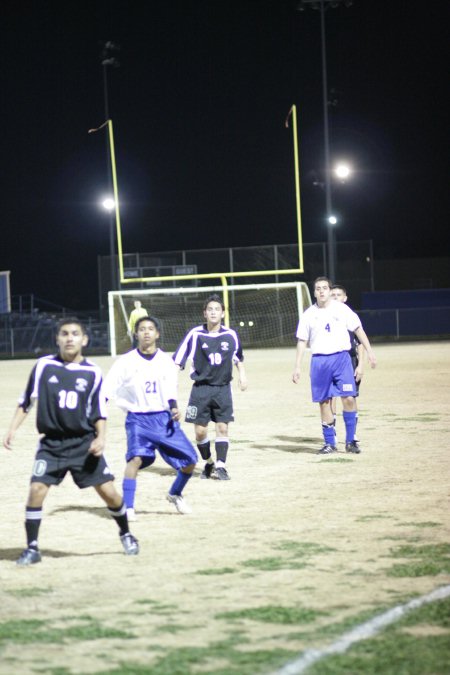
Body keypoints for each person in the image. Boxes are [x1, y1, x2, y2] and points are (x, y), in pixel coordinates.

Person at [2, 318, 139, 566]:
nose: (69, 338)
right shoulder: (43, 366)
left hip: (83, 444)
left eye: (75, 334)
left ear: (84, 339)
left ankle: (126, 533)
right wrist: (12, 429)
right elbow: (26, 401)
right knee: (36, 490)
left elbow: (98, 411)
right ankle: (32, 548)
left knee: (108, 494)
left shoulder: (92, 372)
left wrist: (101, 437)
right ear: (57, 339)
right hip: (51, 444)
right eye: (64, 334)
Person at [103, 315, 197, 517]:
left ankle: (175, 493)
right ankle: (128, 508)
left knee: (190, 461)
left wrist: (173, 407)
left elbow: (170, 388)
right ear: (136, 334)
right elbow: (107, 389)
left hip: (163, 419)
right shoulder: (125, 362)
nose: (146, 332)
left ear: (157, 334)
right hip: (137, 420)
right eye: (142, 329)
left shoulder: (165, 361)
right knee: (135, 460)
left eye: (150, 329)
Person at [292, 277, 376, 455]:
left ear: (330, 291)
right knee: (324, 403)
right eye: (318, 288)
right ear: (314, 292)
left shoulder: (342, 309)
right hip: (320, 362)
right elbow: (302, 341)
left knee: (349, 398)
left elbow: (358, 329)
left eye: (324, 288)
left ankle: (351, 440)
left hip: (341, 359)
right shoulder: (308, 314)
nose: (321, 291)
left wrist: (370, 352)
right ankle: (329, 443)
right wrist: (297, 366)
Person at [173, 294, 247, 480]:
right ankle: (209, 462)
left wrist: (242, 375)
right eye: (210, 310)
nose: (213, 312)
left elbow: (238, 358)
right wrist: (171, 383)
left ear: (223, 313)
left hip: (222, 388)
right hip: (200, 389)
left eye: (217, 309)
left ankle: (221, 466)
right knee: (200, 431)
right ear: (204, 314)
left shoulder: (230, 335)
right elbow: (177, 361)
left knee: (222, 428)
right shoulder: (195, 334)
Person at [330, 284, 364, 444]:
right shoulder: (326, 316)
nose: (335, 297)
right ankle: (333, 431)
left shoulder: (349, 316)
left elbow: (360, 344)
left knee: (350, 397)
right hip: (331, 360)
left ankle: (353, 434)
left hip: (349, 360)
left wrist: (361, 365)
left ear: (345, 298)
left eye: (339, 295)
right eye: (333, 295)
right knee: (331, 397)